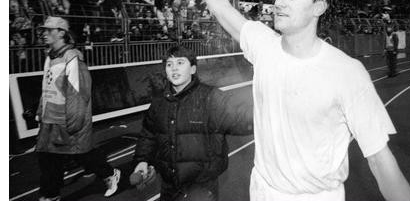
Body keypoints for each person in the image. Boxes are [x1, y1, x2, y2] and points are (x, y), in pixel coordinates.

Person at [188, 0, 410, 201]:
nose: (279, 2)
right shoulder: (264, 44)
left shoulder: (346, 72)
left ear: (319, 7)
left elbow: (382, 163)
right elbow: (220, 5)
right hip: (262, 191)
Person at [133, 46, 253, 201]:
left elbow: (242, 118)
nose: (174, 68)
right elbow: (148, 134)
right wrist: (143, 160)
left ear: (192, 69)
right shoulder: (158, 102)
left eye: (180, 63)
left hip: (201, 189)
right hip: (169, 187)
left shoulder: (211, 98)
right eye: (169, 64)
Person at [35, 16, 121, 201]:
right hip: (50, 120)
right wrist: (41, 110)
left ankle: (109, 174)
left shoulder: (73, 57)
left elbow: (79, 93)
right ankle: (50, 195)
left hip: (67, 120)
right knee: (48, 158)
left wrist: (73, 123)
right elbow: (47, 86)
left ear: (61, 33)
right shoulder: (50, 56)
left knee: (82, 154)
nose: (44, 34)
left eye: (49, 30)